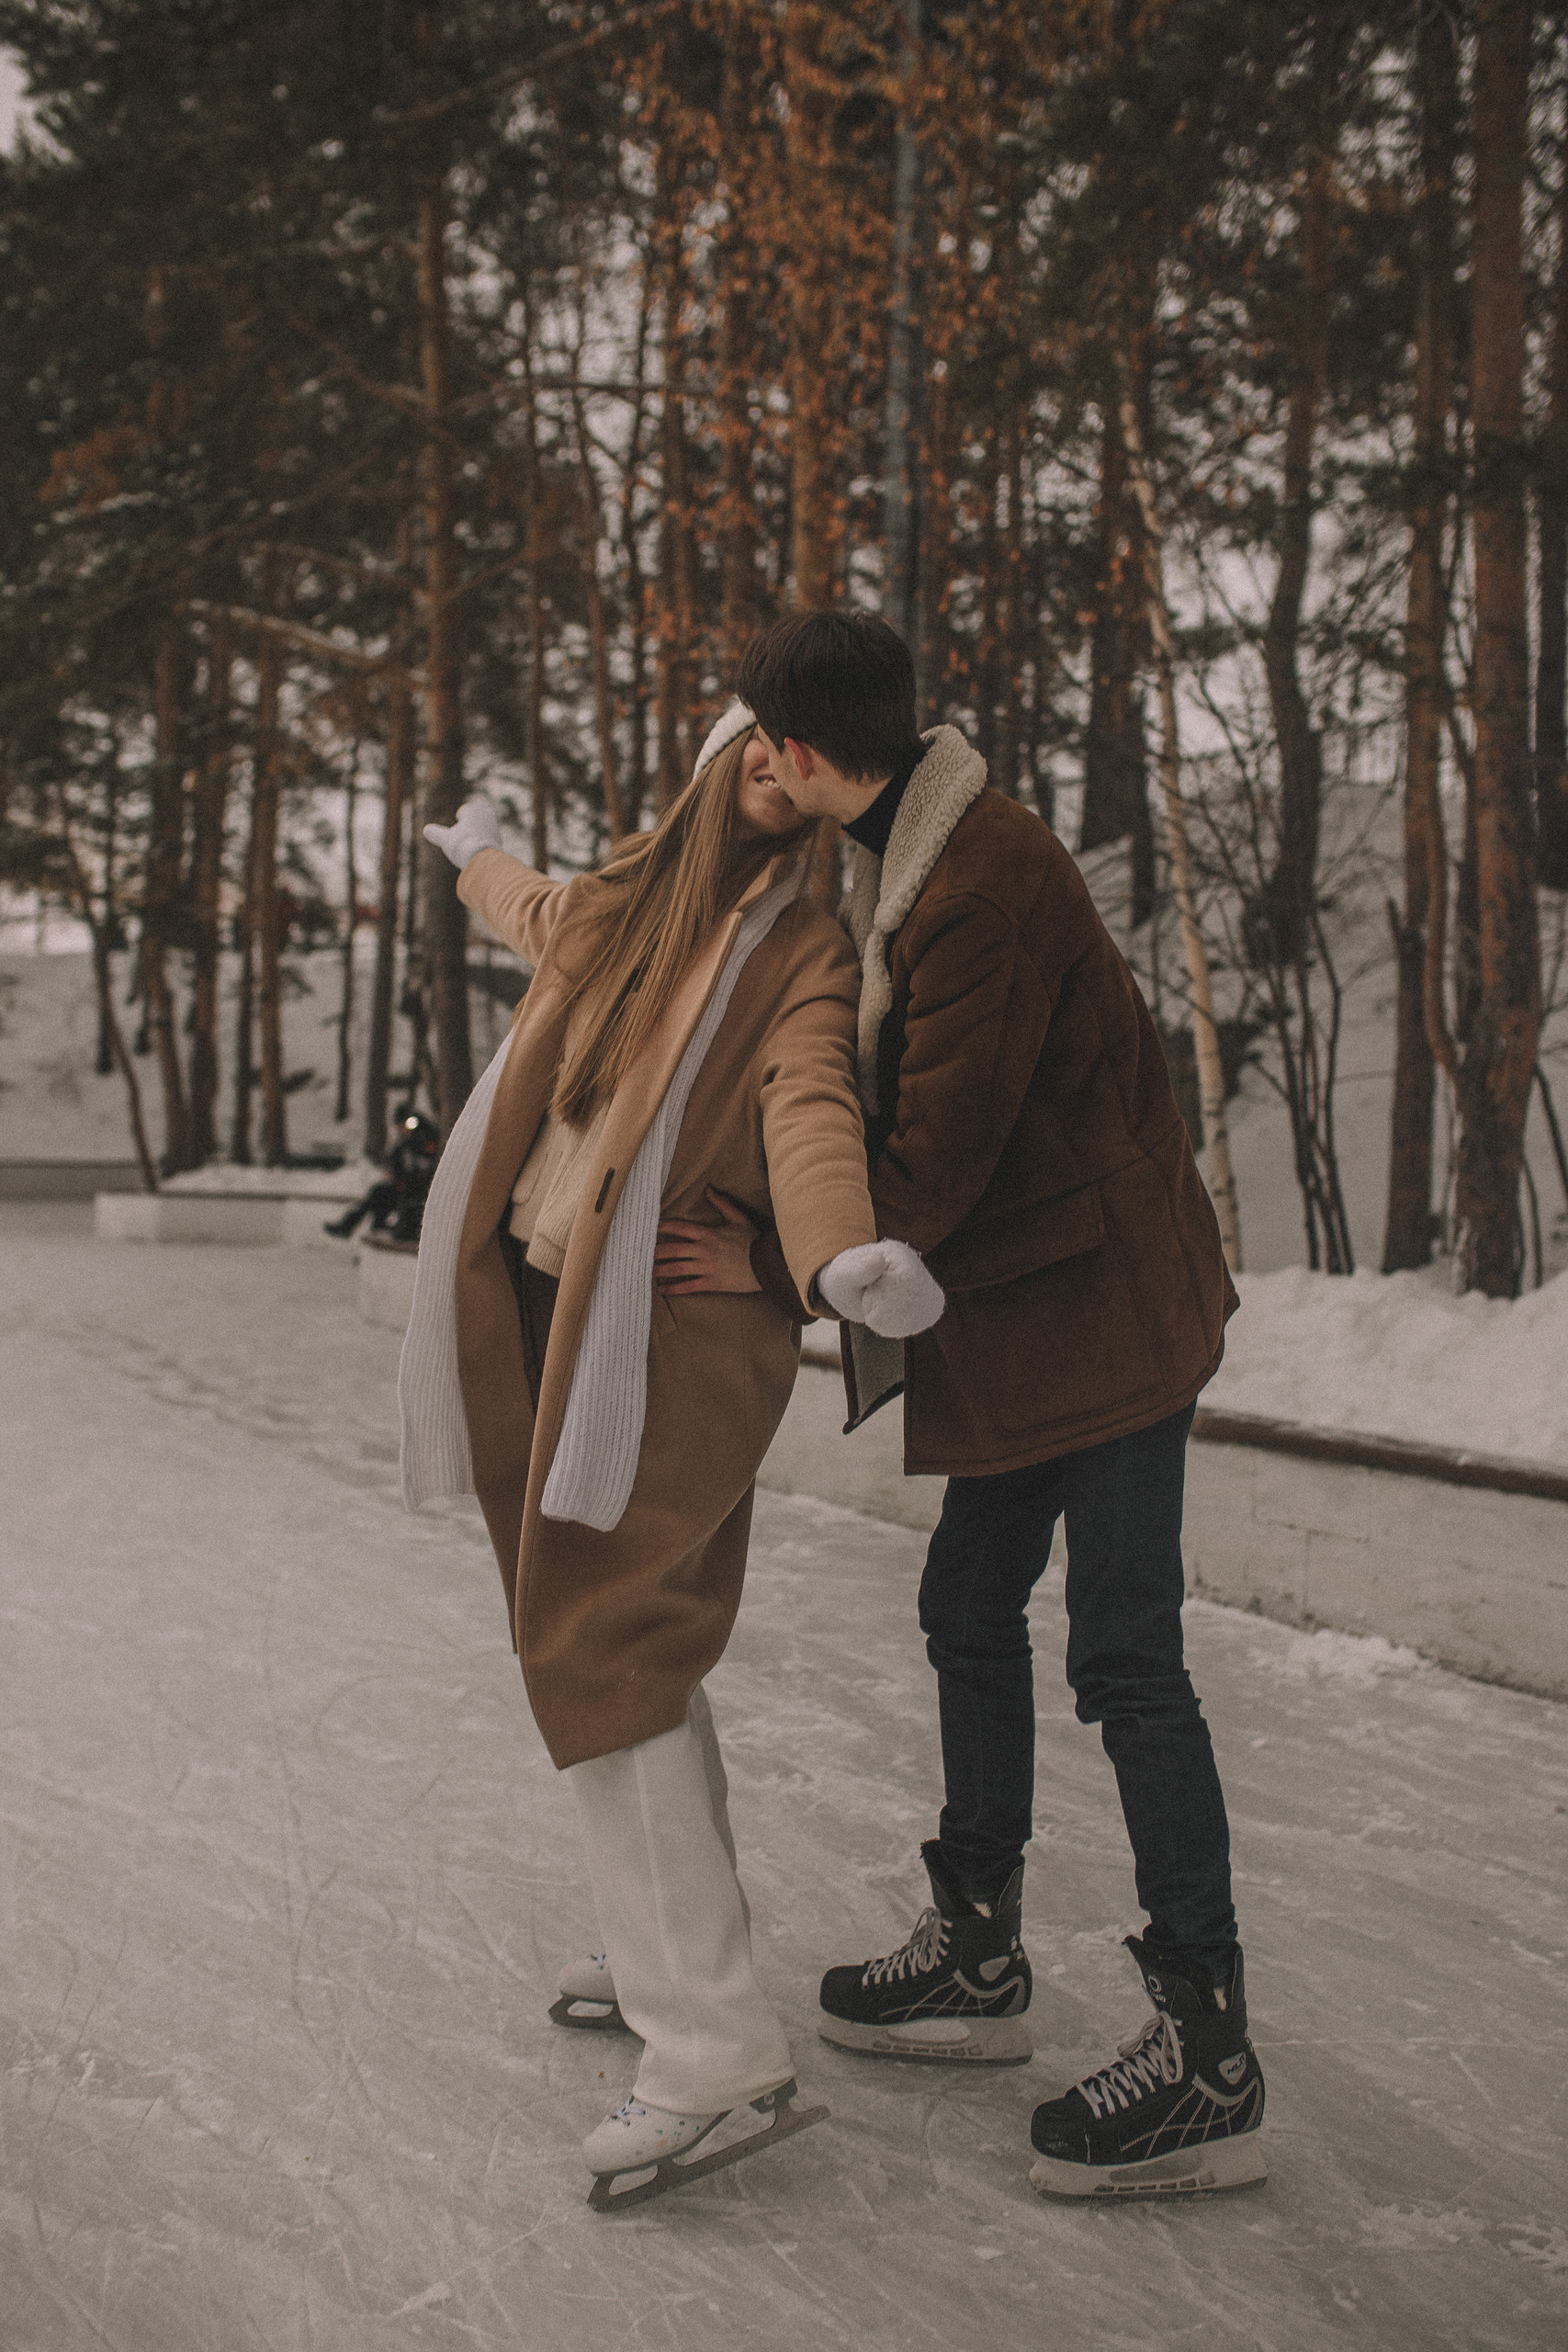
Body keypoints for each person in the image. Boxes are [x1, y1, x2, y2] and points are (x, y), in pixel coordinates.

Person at [725, 609, 1266, 2202]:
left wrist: (760, 1251)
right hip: (1038, 1314)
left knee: (1127, 1654)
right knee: (968, 1605)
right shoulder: (909, 847)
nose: (755, 769)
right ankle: (977, 1950)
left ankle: (1211, 2052)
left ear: (807, 754)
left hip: (1108, 1316)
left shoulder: (977, 883)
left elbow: (930, 1167)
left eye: (764, 747)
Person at [402, 708, 944, 2209]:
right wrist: (474, 852)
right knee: (628, 1650)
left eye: (796, 755)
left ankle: (711, 2051)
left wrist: (829, 1260)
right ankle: (670, 1955)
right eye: (752, 743)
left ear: (816, 794)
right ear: (717, 762)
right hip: (547, 1307)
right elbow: (530, 907)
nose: (770, 764)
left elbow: (812, 1105)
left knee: (607, 1652)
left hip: (664, 1342)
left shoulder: (802, 955)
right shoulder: (627, 904)